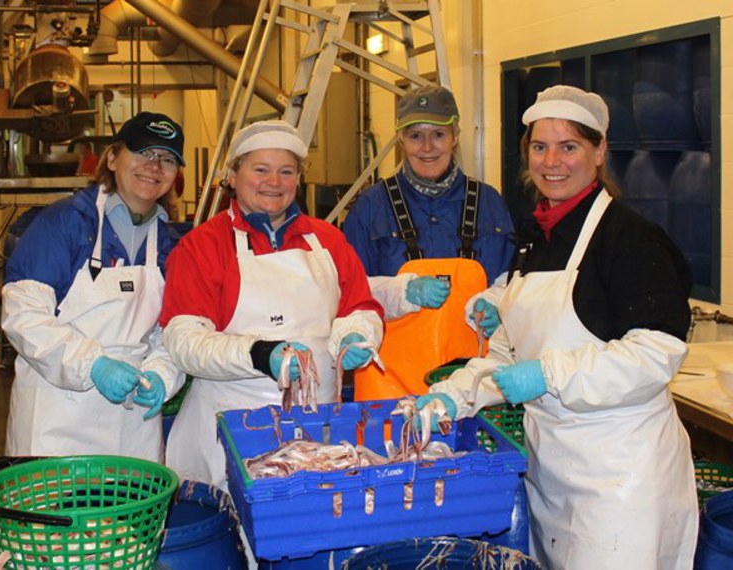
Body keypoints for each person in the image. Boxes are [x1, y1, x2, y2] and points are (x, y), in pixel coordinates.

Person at [418, 85, 697, 568]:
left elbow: (655, 355)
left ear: (599, 150)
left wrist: (548, 374)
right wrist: (457, 394)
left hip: (621, 480)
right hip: (551, 472)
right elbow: (508, 351)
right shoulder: (536, 237)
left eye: (569, 146)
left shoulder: (631, 239)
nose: (552, 162)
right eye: (540, 147)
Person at [159, 120, 384, 487]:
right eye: (260, 170)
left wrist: (358, 335)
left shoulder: (327, 240)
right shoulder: (202, 246)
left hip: (317, 437)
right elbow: (184, 342)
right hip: (227, 439)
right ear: (233, 176)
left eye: (286, 171)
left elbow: (361, 307)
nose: (274, 182)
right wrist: (259, 354)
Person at [2, 111, 187, 461]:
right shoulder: (63, 224)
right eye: (143, 152)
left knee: (131, 499)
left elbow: (172, 331)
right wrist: (93, 366)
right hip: (56, 424)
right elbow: (24, 317)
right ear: (112, 158)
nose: (154, 165)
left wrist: (162, 374)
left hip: (133, 429)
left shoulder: (168, 244)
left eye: (167, 159)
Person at [342, 85, 515, 399]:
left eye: (438, 134)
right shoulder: (369, 208)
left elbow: (513, 282)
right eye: (415, 136)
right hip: (390, 389)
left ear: (455, 136)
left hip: (474, 389)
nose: (427, 147)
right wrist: (400, 292)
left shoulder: (489, 203)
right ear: (400, 140)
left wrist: (499, 305)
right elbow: (349, 293)